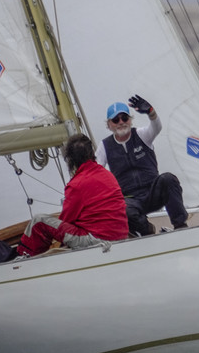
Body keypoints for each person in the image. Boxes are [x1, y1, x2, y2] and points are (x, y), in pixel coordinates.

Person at [17, 135, 131, 256]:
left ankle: (23, 260)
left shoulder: (76, 184)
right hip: (121, 236)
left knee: (38, 221)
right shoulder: (108, 175)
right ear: (92, 153)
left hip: (97, 240)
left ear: (70, 160)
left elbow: (66, 220)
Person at [101, 95, 188, 235]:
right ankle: (147, 231)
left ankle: (180, 225)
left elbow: (157, 128)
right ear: (109, 125)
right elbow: (97, 170)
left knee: (168, 178)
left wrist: (151, 112)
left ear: (130, 120)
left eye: (125, 118)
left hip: (153, 192)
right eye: (116, 120)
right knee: (119, 207)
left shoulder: (141, 134)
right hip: (130, 200)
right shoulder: (104, 146)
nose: (121, 122)